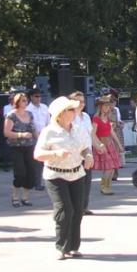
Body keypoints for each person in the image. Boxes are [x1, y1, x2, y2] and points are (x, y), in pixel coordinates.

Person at [34, 96, 94, 260]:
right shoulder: (49, 132)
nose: (75, 112)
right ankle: (60, 246)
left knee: (78, 210)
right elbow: (38, 154)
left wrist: (88, 156)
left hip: (76, 173)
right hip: (56, 174)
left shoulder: (78, 129)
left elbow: (85, 147)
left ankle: (73, 246)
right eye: (71, 109)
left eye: (74, 109)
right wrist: (55, 153)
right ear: (60, 114)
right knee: (65, 210)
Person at [3, 93, 37, 207]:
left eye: (26, 100)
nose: (25, 102)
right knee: (20, 172)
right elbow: (6, 133)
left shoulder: (30, 114)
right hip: (16, 147)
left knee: (31, 173)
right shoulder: (11, 115)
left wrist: (41, 141)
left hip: (29, 146)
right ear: (17, 102)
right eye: (23, 100)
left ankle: (25, 197)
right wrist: (21, 135)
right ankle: (15, 197)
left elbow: (34, 130)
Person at [69, 91, 97, 215]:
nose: (81, 104)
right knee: (76, 181)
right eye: (78, 101)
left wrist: (98, 145)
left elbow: (91, 134)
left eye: (83, 102)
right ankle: (75, 207)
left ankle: (83, 207)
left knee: (87, 181)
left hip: (87, 152)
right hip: (74, 154)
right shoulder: (69, 117)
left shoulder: (85, 116)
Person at [92, 95, 123, 195]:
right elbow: (93, 133)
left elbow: (111, 132)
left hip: (110, 144)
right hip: (101, 143)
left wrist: (119, 144)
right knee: (109, 167)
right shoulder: (96, 119)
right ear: (100, 107)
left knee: (113, 167)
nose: (107, 108)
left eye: (108, 106)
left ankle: (108, 186)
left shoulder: (108, 118)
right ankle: (103, 187)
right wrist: (98, 144)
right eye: (105, 106)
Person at [27, 88, 50, 191]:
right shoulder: (28, 109)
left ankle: (45, 181)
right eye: (36, 96)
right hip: (33, 137)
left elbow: (49, 122)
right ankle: (36, 182)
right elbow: (29, 125)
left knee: (47, 160)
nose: (39, 98)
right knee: (36, 161)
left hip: (45, 135)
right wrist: (36, 135)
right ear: (31, 97)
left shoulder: (45, 107)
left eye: (40, 96)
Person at [109, 90, 125, 181]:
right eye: (111, 102)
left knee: (116, 153)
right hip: (108, 134)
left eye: (114, 102)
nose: (113, 104)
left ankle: (115, 173)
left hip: (116, 132)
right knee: (110, 153)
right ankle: (110, 173)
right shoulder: (105, 111)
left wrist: (120, 124)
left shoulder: (116, 110)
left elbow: (118, 120)